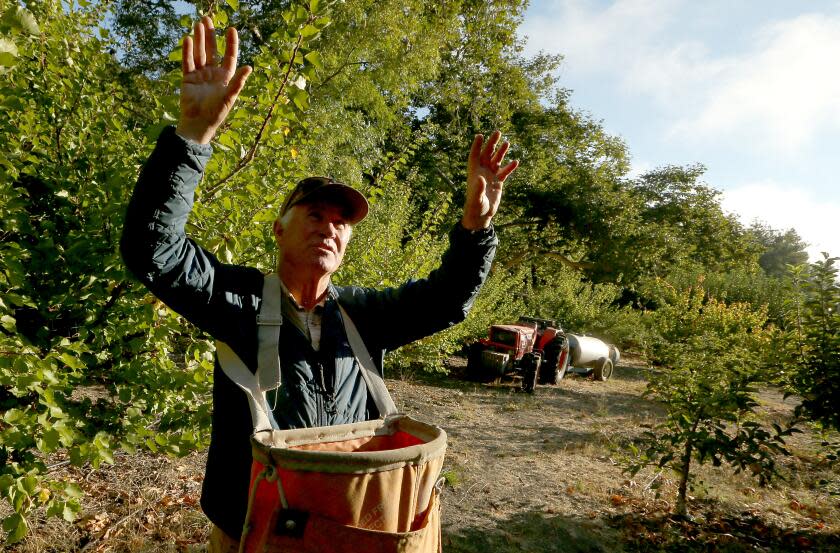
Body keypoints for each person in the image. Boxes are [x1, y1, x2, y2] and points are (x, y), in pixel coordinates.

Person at [120, 16, 519, 550]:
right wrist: (193, 137)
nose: (328, 226)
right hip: (255, 534)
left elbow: (449, 299)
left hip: (350, 528)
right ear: (279, 227)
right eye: (314, 212)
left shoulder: (362, 315)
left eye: (341, 221)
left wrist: (476, 227)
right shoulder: (235, 299)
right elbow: (154, 251)